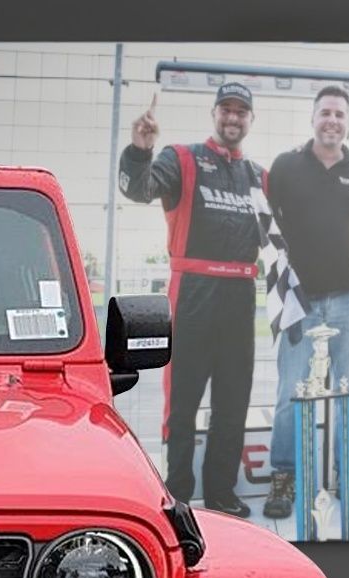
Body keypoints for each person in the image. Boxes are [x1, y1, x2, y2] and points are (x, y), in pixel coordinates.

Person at [119, 83, 264, 517]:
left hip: (242, 295)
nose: (233, 118)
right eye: (226, 109)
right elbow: (139, 189)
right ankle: (178, 492)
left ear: (250, 119)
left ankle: (221, 490)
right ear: (214, 113)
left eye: (241, 111)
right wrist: (140, 150)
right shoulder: (181, 157)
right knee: (182, 400)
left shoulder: (259, 175)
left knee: (233, 399)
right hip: (193, 292)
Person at [263, 85, 349, 519]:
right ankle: (285, 474)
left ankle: (346, 472)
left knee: (346, 393)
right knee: (292, 393)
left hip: (348, 298)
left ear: (347, 122)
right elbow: (263, 226)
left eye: (340, 115)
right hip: (299, 298)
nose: (332, 120)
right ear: (313, 117)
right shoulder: (287, 165)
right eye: (326, 112)